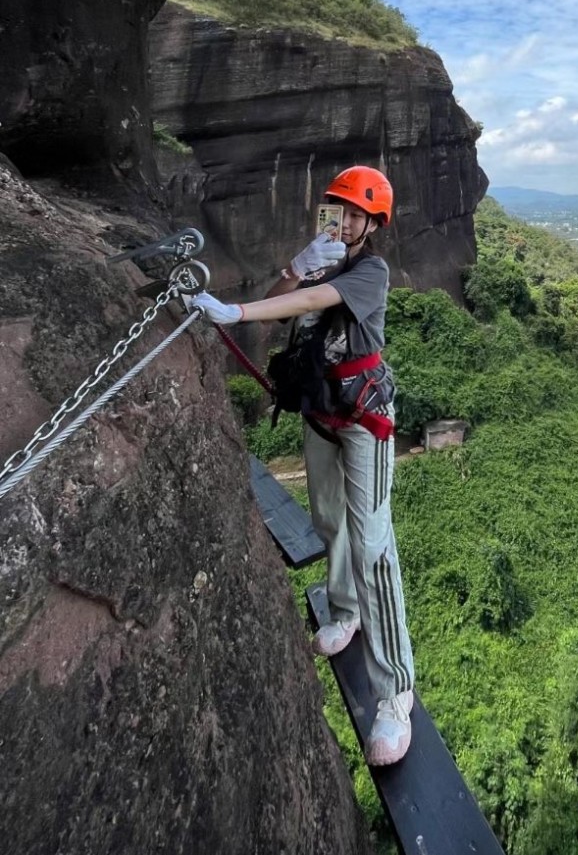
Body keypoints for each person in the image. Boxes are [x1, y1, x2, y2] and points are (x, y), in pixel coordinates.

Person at [191, 165, 416, 767]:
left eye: (354, 215)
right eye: (336, 211)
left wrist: (237, 314)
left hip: (366, 422)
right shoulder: (317, 259)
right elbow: (285, 301)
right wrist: (295, 262)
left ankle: (396, 693)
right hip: (322, 414)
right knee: (326, 519)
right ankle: (344, 611)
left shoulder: (371, 271)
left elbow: (314, 302)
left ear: (372, 225)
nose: (343, 222)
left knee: (373, 546)